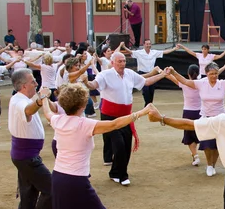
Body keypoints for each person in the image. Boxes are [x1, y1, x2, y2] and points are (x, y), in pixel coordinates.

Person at [40, 84, 151, 209]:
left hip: (59, 177)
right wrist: (141, 112)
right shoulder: (84, 125)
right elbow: (115, 124)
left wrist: (43, 98)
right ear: (82, 105)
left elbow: (47, 112)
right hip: (76, 180)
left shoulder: (58, 120)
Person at [85, 52, 168, 185]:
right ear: (112, 63)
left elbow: (145, 82)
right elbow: (94, 85)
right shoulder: (105, 75)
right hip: (110, 116)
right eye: (119, 61)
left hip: (126, 116)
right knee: (119, 145)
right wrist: (85, 82)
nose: (122, 64)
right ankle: (123, 175)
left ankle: (115, 172)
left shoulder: (129, 73)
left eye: (124, 61)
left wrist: (163, 75)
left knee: (126, 145)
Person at [166, 62, 225, 176]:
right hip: (206, 117)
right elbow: (185, 81)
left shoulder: (222, 83)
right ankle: (209, 165)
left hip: (220, 117)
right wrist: (174, 72)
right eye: (211, 74)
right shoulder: (201, 83)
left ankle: (213, 165)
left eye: (216, 73)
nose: (214, 76)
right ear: (206, 74)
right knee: (207, 144)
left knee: (218, 144)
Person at [8, 69, 53, 209]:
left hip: (26, 154)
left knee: (29, 192)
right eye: (33, 81)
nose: (36, 83)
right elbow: (28, 110)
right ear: (24, 85)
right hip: (26, 156)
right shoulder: (18, 101)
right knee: (52, 187)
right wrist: (41, 100)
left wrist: (40, 99)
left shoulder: (23, 99)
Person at [164, 64, 203, 166]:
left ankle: (195, 156)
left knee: (189, 136)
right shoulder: (201, 83)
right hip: (200, 112)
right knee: (197, 134)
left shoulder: (184, 83)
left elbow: (171, 77)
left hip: (188, 112)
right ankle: (196, 155)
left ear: (188, 74)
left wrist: (161, 71)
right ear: (198, 73)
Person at [120, 40, 177, 105]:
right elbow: (130, 52)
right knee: (145, 91)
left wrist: (174, 49)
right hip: (143, 73)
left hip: (152, 73)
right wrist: (124, 46)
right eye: (147, 44)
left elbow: (165, 52)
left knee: (151, 91)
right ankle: (147, 105)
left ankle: (149, 105)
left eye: (149, 44)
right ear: (144, 45)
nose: (148, 45)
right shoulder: (139, 52)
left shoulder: (154, 52)